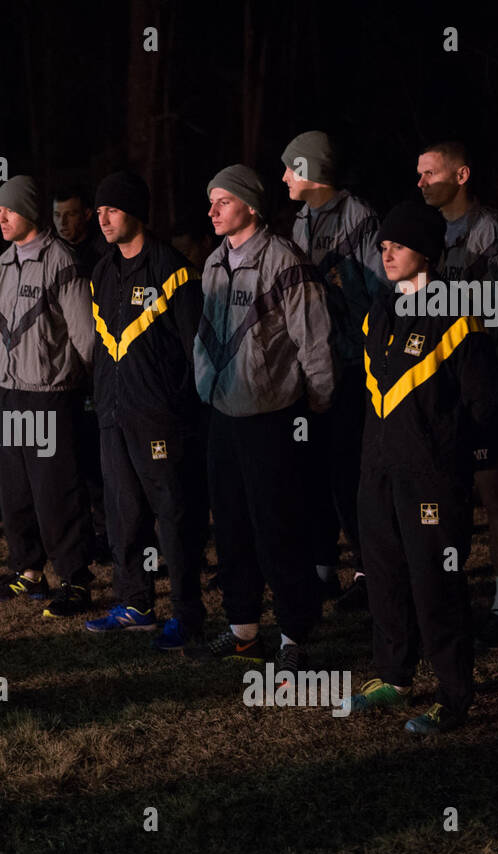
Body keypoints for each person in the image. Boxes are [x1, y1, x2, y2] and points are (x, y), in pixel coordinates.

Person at [348, 200, 498, 733]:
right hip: (379, 473)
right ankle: (395, 674)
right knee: (386, 577)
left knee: (436, 586)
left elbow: (482, 405)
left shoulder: (459, 313)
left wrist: (465, 464)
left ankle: (455, 696)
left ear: (427, 253)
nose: (385, 252)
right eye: (383, 244)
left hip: (433, 478)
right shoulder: (378, 311)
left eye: (397, 244)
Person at [194, 165, 335, 677]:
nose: (212, 211)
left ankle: (295, 634)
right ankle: (243, 629)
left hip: (273, 419)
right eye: (211, 202)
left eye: (223, 202)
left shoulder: (283, 261)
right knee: (231, 526)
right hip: (224, 417)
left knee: (279, 529)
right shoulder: (213, 262)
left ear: (252, 207)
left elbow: (313, 340)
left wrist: (315, 403)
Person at [417, 141, 498, 650]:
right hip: (432, 387)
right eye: (419, 174)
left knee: (493, 491)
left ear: (462, 175)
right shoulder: (422, 230)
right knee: (442, 498)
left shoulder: (487, 231)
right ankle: (448, 600)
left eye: (430, 173)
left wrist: (489, 347)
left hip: (479, 387)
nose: (422, 182)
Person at [83, 171, 208, 651]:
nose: (103, 218)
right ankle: (135, 602)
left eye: (111, 209)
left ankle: (186, 612)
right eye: (99, 211)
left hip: (160, 419)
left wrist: (174, 408)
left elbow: (195, 351)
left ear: (135, 212)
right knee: (123, 512)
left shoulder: (174, 271)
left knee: (174, 514)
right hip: (113, 415)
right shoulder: (101, 271)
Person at [0, 175, 96, 618]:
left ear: (29, 210)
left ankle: (76, 578)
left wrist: (88, 386)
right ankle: (28, 570)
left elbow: (84, 333)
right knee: (16, 490)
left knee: (56, 491)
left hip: (51, 394)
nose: (1, 217)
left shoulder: (61, 260)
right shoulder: (4, 262)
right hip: (9, 391)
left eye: (8, 209)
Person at [281, 130, 385, 611]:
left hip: (353, 363)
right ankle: (324, 568)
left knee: (351, 470)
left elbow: (379, 288)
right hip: (319, 361)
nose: (283, 177)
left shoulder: (357, 216)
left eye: (290, 168)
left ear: (311, 170)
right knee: (315, 469)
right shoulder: (302, 219)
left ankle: (369, 569)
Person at [53, 183, 112, 565]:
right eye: (57, 215)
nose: (62, 223)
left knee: (100, 459)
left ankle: (110, 531)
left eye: (71, 214)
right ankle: (87, 531)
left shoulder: (102, 255)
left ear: (88, 214)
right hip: (65, 375)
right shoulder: (54, 255)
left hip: (100, 368)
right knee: (73, 459)